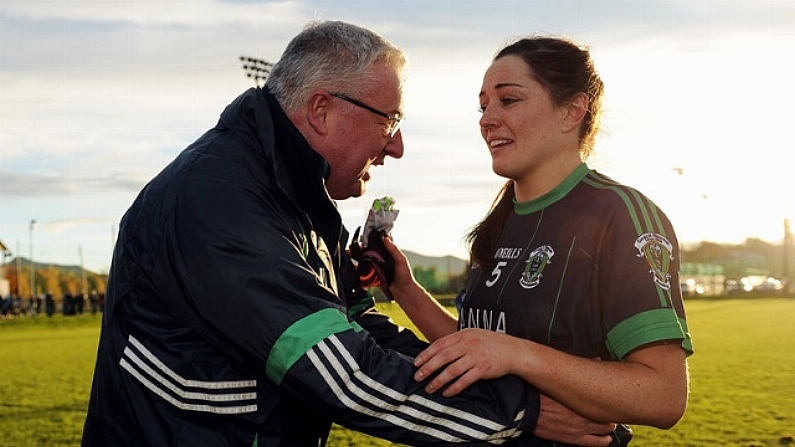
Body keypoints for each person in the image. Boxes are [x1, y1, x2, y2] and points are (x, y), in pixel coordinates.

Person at [81, 22, 617, 447]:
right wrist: (521, 413)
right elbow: (346, 375)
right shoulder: (219, 203)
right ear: (321, 111)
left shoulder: (296, 196)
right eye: (391, 120)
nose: (398, 146)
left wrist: (506, 394)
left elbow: (365, 329)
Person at [383, 35, 694, 445]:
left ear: (572, 111)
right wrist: (404, 288)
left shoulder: (619, 215)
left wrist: (518, 354)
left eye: (507, 100)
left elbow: (663, 395)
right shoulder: (501, 220)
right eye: (483, 105)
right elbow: (477, 349)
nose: (486, 119)